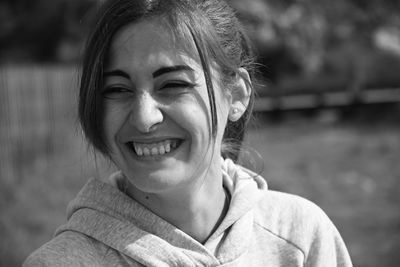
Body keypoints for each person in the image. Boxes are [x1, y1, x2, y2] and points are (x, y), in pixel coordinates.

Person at [24, 0, 352, 266]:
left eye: (173, 85)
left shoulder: (301, 237)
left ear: (236, 95)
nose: (143, 118)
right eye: (117, 89)